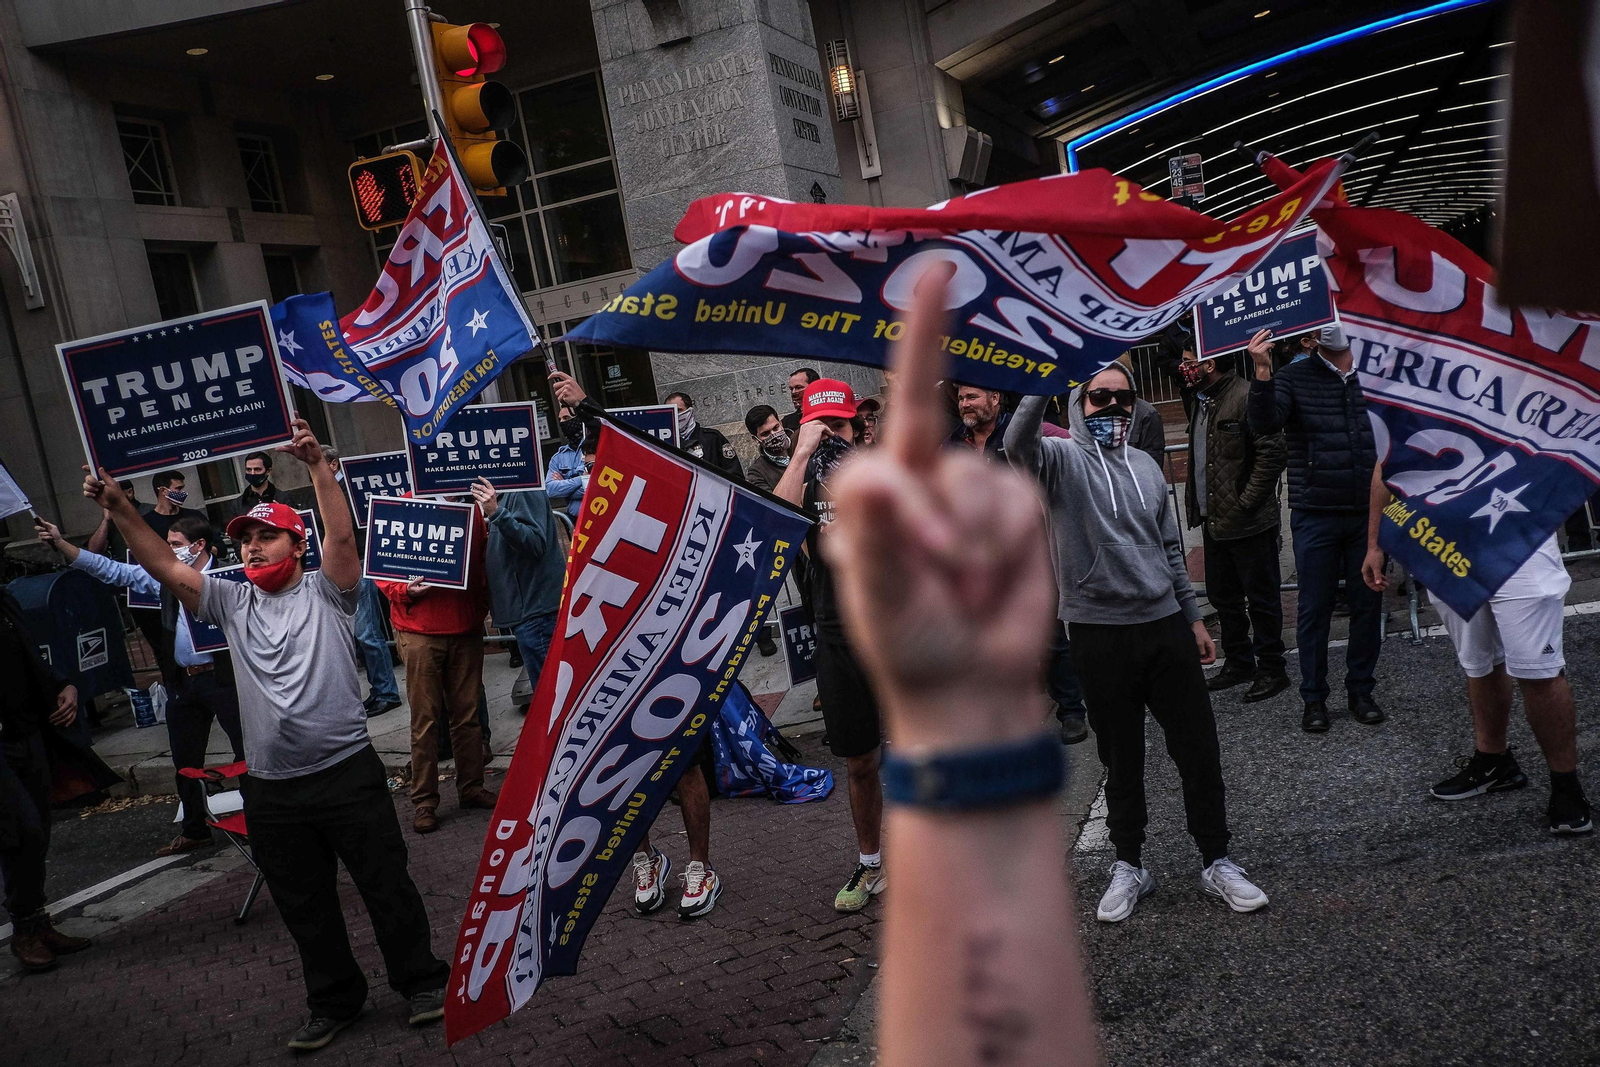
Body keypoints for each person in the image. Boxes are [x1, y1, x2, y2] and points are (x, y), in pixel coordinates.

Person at [85, 420, 451, 1051]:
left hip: (347, 774)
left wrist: (316, 467)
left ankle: (421, 982)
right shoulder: (230, 601)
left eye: (266, 537)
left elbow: (341, 534)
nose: (252, 548)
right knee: (305, 906)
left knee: (386, 887)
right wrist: (120, 508)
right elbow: (166, 566)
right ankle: (335, 1001)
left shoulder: (329, 591)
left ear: (297, 546)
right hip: (275, 790)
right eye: (245, 539)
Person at [827, 264, 1097, 1065]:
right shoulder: (942, 453)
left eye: (982, 393)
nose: (971, 402)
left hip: (1040, 603)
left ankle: (1068, 702)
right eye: (965, 393)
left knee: (1060, 660)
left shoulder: (1027, 448)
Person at [1007, 361, 1268, 923]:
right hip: (1099, 636)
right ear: (1077, 404)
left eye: (1123, 399)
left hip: (1165, 626)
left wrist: (1194, 618)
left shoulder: (1148, 464)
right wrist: (1046, 375)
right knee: (1121, 759)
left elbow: (1170, 548)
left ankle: (1217, 860)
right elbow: (1015, 441)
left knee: (1198, 752)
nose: (1112, 409)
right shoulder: (1059, 461)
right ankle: (1130, 865)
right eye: (1098, 398)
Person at [1363, 472, 1591, 834]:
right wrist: (1375, 544)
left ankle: (1566, 785)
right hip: (1443, 545)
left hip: (1520, 540)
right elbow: (1387, 462)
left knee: (1540, 670)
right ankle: (1494, 762)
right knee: (1478, 662)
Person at [37, 514, 246, 856]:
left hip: (225, 681)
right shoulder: (165, 580)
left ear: (198, 546)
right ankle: (195, 829)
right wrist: (62, 545)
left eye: (175, 545)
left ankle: (260, 822)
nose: (169, 550)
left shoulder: (229, 580)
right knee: (185, 762)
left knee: (247, 754)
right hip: (184, 684)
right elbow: (114, 571)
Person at [775, 378, 889, 913]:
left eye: (838, 426)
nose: (830, 439)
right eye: (821, 429)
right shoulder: (802, 476)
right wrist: (801, 455)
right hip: (836, 632)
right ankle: (872, 864)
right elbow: (776, 524)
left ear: (857, 425)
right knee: (860, 761)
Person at [1246, 324, 1385, 733]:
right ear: (1309, 340)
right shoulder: (1293, 376)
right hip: (1315, 511)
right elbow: (1265, 423)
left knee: (1367, 603)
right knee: (1313, 608)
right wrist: (1262, 370)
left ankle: (1361, 691)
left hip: (1368, 511)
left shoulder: (1377, 372)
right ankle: (1314, 698)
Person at [374, 496, 497, 835]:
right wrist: (404, 590)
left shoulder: (473, 510)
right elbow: (381, 567)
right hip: (419, 631)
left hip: (464, 627)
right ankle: (424, 800)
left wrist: (481, 606)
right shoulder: (403, 506)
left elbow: (483, 561)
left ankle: (470, 787)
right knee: (425, 719)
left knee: (467, 717)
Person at [1181, 349, 1290, 703]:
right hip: (1215, 522)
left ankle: (1272, 668)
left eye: (1189, 360)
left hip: (1249, 523)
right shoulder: (1201, 400)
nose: (1184, 367)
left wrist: (1245, 504)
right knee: (1224, 597)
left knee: (1262, 599)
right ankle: (1240, 662)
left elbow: (1272, 452)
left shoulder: (1245, 396)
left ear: (1208, 364)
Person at [1, 592, 91, 974]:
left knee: (39, 828)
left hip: (27, 731)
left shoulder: (3, 601)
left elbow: (28, 655)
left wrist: (64, 684)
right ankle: (24, 930)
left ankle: (38, 923)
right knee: (23, 829)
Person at [321, 446, 401, 717]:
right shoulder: (329, 491)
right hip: (349, 565)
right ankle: (380, 690)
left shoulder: (351, 491)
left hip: (361, 562)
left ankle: (387, 692)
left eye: (317, 465)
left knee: (367, 632)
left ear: (333, 465)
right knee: (360, 633)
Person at [470, 476, 562, 706]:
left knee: (550, 697)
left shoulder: (523, 487)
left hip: (536, 611)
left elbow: (534, 543)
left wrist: (497, 513)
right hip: (528, 612)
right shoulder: (509, 490)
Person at [666, 391, 744, 481]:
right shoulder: (665, 442)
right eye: (670, 411)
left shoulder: (713, 438)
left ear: (690, 411)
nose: (675, 414)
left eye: (679, 410)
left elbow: (734, 473)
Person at [228, 451, 311, 521]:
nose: (252, 473)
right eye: (248, 470)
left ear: (268, 471)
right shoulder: (238, 504)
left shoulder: (283, 498)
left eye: (257, 469)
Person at [546, 408, 590, 519]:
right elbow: (551, 490)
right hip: (575, 522)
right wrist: (581, 479)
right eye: (560, 419)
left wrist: (566, 487)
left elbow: (594, 486)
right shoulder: (558, 457)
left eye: (566, 418)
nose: (562, 422)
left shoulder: (593, 449)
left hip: (598, 517)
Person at [949, 384, 1010, 457]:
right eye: (961, 399)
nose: (964, 405)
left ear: (994, 398)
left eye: (971, 397)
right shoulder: (953, 442)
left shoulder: (1017, 433)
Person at [743, 404, 792, 491]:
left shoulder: (802, 441)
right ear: (756, 439)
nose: (774, 435)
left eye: (776, 428)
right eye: (766, 434)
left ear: (781, 424)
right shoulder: (757, 472)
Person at [782, 367, 821, 433]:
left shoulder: (828, 416)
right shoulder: (787, 422)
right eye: (791, 389)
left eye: (799, 387)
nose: (793, 392)